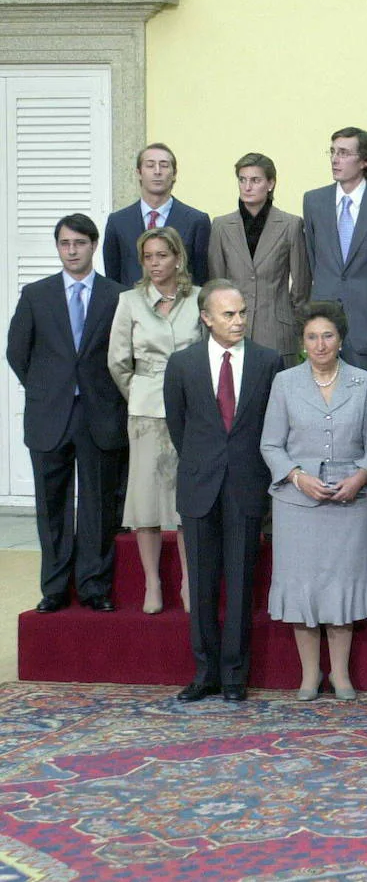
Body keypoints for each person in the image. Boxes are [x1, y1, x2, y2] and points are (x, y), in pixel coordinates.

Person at [260, 301, 367, 701]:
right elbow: (270, 444)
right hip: (297, 504)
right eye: (312, 337)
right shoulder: (285, 382)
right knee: (303, 588)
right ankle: (310, 675)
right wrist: (297, 477)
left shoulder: (364, 382)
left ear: (341, 339)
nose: (320, 344)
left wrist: (362, 476)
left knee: (341, 587)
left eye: (327, 336)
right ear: (302, 342)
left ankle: (342, 675)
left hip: (351, 502)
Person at [164, 280, 282, 702]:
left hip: (247, 485)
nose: (238, 321)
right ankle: (205, 672)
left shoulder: (269, 362)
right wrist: (203, 462)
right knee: (202, 583)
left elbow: (273, 425)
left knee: (241, 582)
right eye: (229, 314)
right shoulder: (182, 364)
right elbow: (179, 427)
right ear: (206, 318)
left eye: (242, 313)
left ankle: (234, 675)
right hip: (199, 486)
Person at [6, 214, 127, 613]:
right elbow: (17, 353)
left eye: (79, 243)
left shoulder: (117, 296)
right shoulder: (36, 295)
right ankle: (55, 587)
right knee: (52, 505)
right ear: (57, 247)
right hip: (50, 415)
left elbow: (126, 355)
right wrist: (47, 389)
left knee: (97, 504)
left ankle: (93, 586)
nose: (71, 250)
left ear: (93, 246)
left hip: (99, 413)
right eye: (64, 243)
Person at [108, 227, 201, 614]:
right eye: (148, 256)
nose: (155, 263)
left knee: (186, 502)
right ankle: (152, 583)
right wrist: (142, 392)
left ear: (177, 257)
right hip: (146, 409)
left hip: (192, 408)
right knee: (144, 502)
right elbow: (117, 361)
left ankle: (188, 582)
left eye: (162, 255)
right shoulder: (129, 301)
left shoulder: (199, 299)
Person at [302, 126, 367, 373]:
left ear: (365, 161)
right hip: (322, 323)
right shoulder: (314, 201)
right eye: (332, 152)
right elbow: (312, 257)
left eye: (344, 153)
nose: (335, 159)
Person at [207, 153, 311, 363]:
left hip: (277, 329)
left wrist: (294, 323)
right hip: (231, 328)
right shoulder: (221, 226)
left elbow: (301, 285)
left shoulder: (291, 225)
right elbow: (216, 283)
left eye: (255, 180)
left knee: (279, 392)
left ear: (270, 183)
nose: (247, 187)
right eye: (242, 180)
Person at [103, 143, 212, 286]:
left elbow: (202, 276)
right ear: (139, 173)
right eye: (150, 165)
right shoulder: (118, 222)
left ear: (174, 174)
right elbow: (112, 278)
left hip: (181, 304)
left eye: (164, 165)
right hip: (133, 305)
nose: (157, 171)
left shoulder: (196, 221)